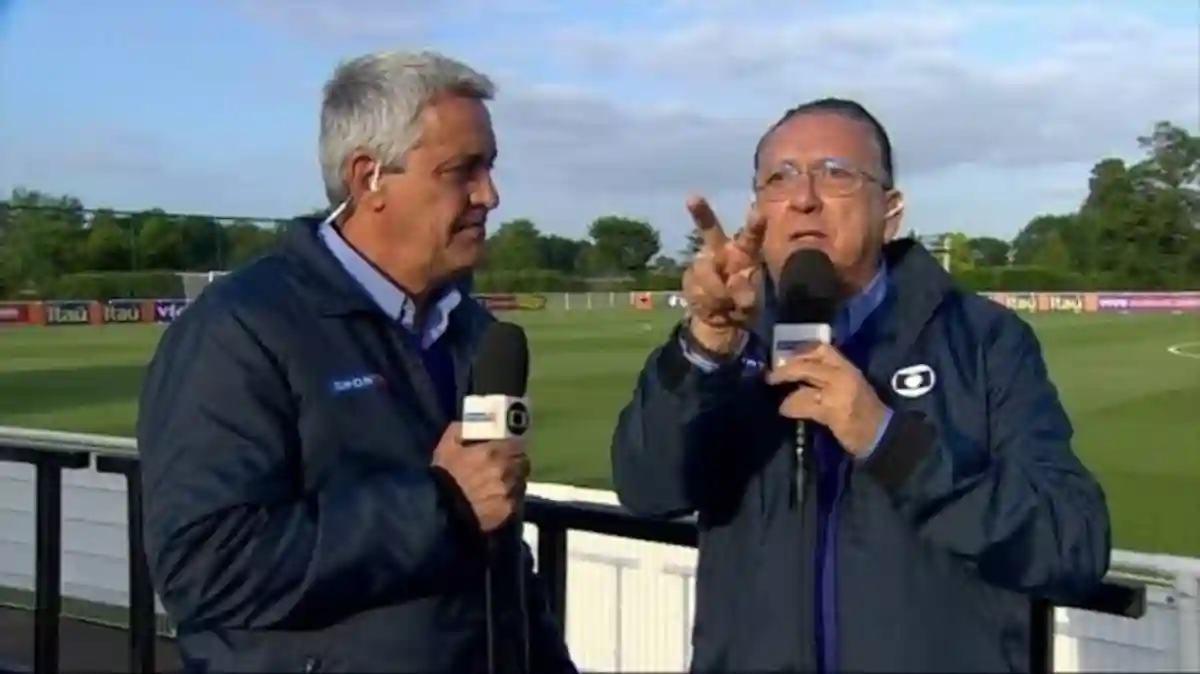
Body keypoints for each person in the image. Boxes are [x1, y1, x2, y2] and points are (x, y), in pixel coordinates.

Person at [610, 98, 1111, 673]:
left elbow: (1072, 547)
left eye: (837, 174)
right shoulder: (728, 340)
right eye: (780, 178)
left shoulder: (983, 340)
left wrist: (891, 443)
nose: (804, 198)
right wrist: (707, 344)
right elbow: (646, 489)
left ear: (891, 210)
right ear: (757, 211)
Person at [137, 50, 575, 673]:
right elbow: (204, 568)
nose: (490, 195)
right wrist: (439, 504)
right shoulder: (239, 329)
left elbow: (496, 543)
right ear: (368, 177)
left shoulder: (474, 331)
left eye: (491, 167)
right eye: (462, 171)